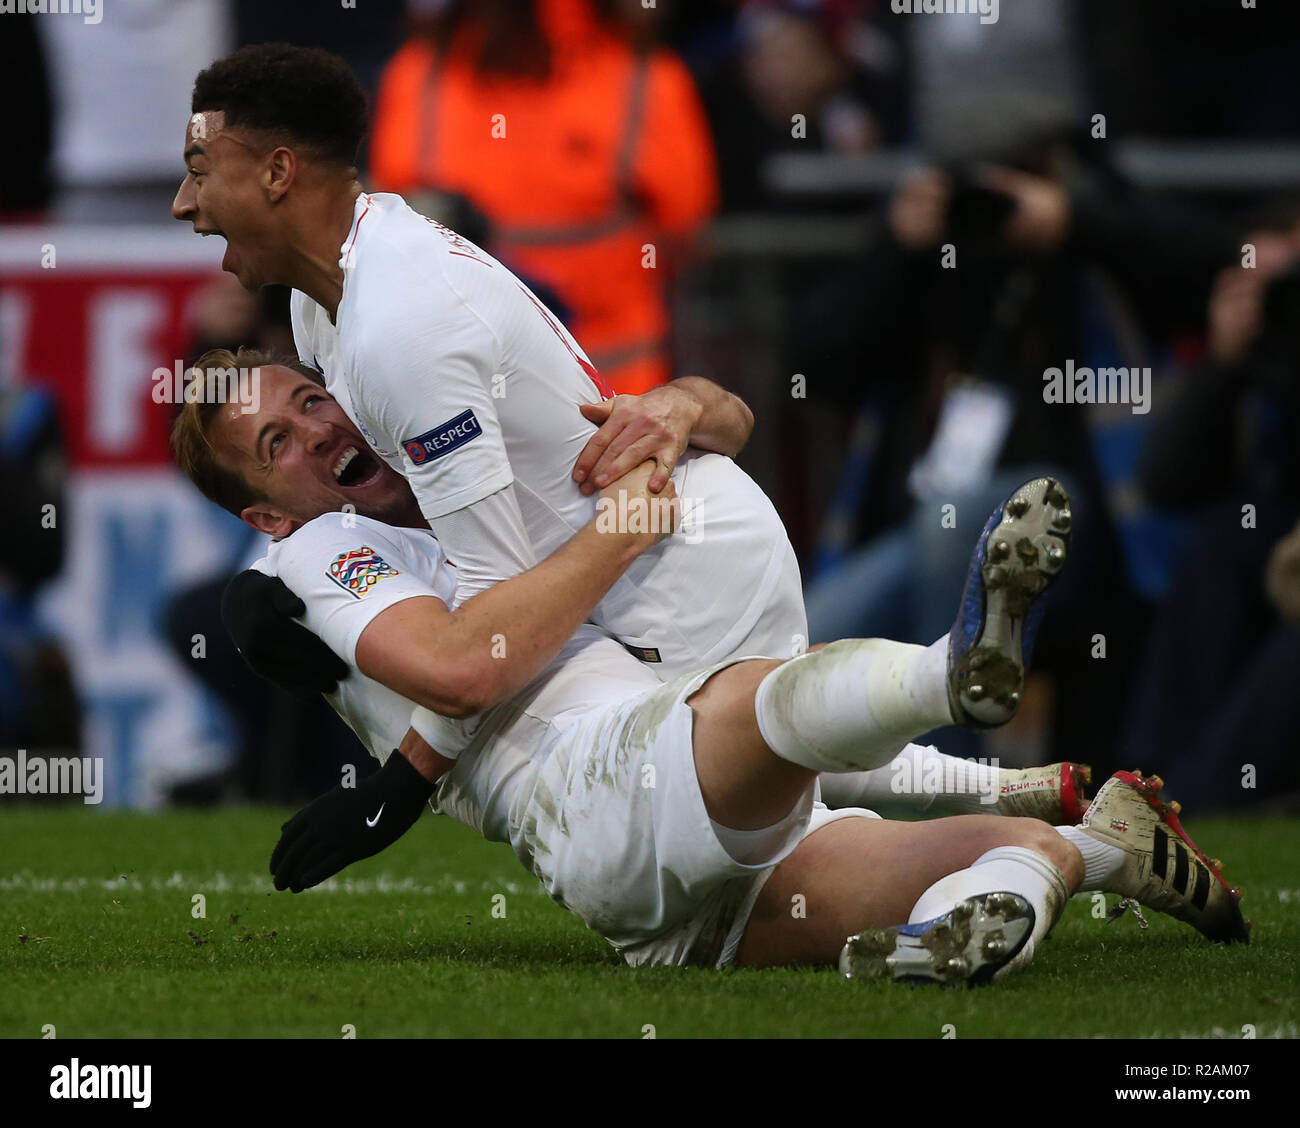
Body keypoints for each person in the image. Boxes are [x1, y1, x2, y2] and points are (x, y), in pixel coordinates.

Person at [171, 43, 1090, 822]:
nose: (185, 202)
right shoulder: (322, 307)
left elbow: (484, 644)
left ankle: (962, 705)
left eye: (201, 171)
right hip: (654, 539)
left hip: (670, 562)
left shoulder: (393, 324)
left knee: (756, 839)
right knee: (771, 775)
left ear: (280, 172)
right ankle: (1053, 800)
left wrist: (403, 783)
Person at [170, 355, 1249, 979]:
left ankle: (1085, 853)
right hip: (600, 789)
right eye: (275, 443)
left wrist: (680, 407)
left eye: (309, 400)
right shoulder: (313, 552)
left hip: (685, 885)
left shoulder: (468, 473)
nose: (313, 431)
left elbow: (725, 415)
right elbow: (458, 671)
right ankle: (947, 669)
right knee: (751, 697)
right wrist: (627, 526)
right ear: (267, 512)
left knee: (1006, 846)